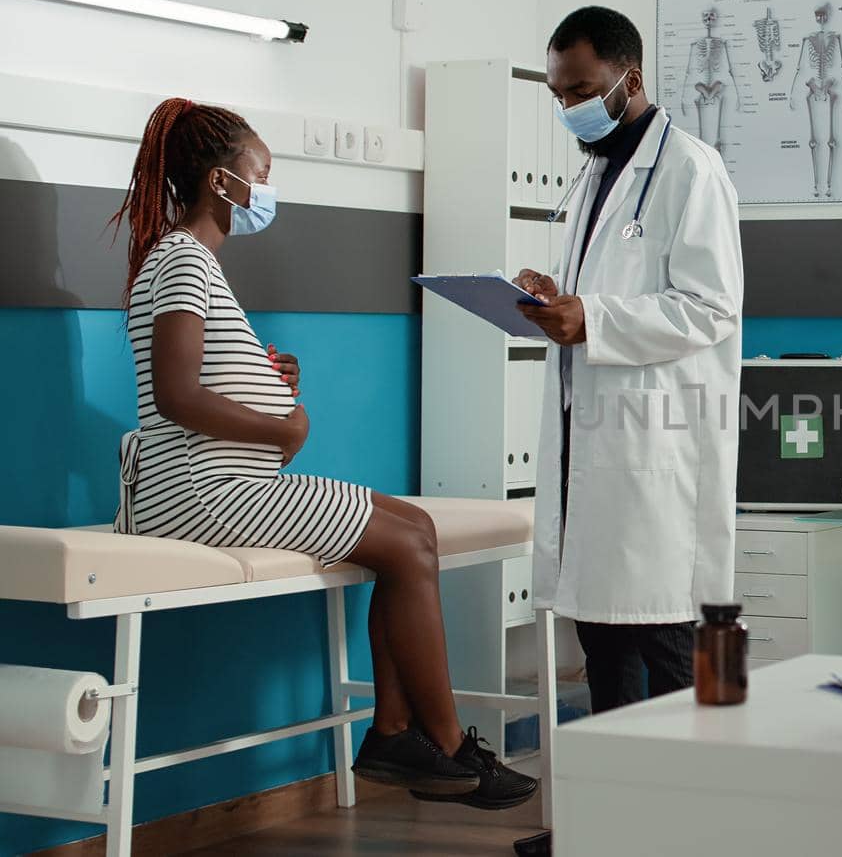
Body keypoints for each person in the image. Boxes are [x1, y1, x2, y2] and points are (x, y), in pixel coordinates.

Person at [109, 98, 535, 811]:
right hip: (206, 491)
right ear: (222, 181)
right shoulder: (184, 259)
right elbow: (178, 396)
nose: (268, 189)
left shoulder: (187, 262)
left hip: (217, 483)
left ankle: (399, 733)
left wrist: (266, 381)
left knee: (413, 533)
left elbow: (199, 373)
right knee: (408, 547)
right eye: (261, 173)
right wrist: (283, 430)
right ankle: (451, 746)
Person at [514, 6, 744, 715]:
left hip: (661, 449)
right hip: (596, 441)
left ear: (629, 78)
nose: (568, 107)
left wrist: (594, 317)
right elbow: (605, 294)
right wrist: (559, 300)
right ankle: (607, 819)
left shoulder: (690, 170)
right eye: (558, 94)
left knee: (678, 649)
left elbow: (712, 307)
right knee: (602, 643)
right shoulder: (596, 171)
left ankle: (707, 815)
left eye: (580, 91)